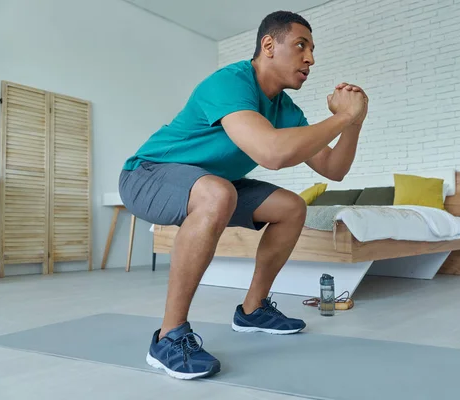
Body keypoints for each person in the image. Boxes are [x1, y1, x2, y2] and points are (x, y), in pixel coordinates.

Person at [118, 10, 368, 380]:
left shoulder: (285, 109)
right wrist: (341, 118)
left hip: (212, 182)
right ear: (269, 45)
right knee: (217, 193)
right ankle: (168, 337)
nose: (310, 58)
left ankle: (253, 310)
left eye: (313, 50)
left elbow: (334, 169)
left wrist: (354, 122)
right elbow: (272, 152)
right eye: (301, 46)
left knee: (291, 207)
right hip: (147, 174)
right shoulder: (230, 82)